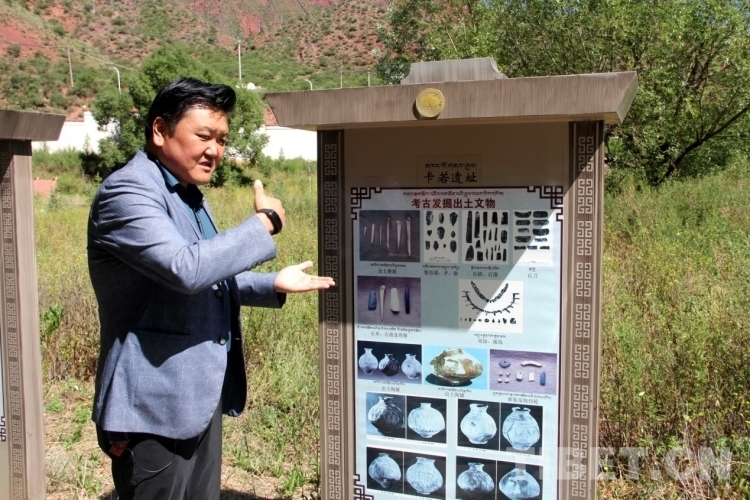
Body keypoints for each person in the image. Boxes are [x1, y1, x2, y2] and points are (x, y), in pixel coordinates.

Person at [87, 77, 334, 500]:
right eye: (204, 136)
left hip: (197, 397)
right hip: (151, 409)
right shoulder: (127, 193)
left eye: (221, 140)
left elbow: (204, 276)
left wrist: (271, 283)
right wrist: (265, 223)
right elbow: (186, 268)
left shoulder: (188, 195)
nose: (215, 150)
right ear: (160, 130)